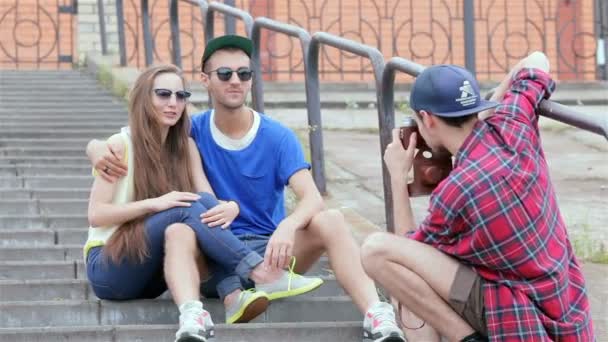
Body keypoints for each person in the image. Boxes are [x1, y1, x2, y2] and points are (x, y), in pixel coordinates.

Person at [87, 35, 405, 342]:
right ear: (205, 80)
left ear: (252, 79)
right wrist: (96, 147)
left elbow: (309, 198)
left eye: (244, 73)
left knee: (332, 219)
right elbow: (133, 146)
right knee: (178, 229)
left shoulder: (271, 137)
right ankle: (203, 309)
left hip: (272, 248)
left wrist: (287, 225)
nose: (235, 80)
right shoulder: (191, 132)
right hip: (208, 259)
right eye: (224, 74)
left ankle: (378, 315)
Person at [360, 52, 595, 341]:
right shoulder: (514, 124)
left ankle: (466, 339)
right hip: (568, 314)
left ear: (427, 119)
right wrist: (485, 112)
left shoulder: (456, 190)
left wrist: (398, 177)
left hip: (521, 322)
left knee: (376, 252)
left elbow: (407, 254)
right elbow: (537, 59)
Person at [84, 64, 325, 342]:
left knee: (196, 213)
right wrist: (157, 204)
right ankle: (261, 272)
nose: (173, 103)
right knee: (182, 208)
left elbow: (206, 198)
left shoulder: (185, 148)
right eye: (163, 94)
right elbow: (96, 214)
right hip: (110, 266)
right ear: (144, 98)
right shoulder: (120, 145)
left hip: (151, 274)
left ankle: (217, 303)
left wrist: (230, 206)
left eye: (180, 95)